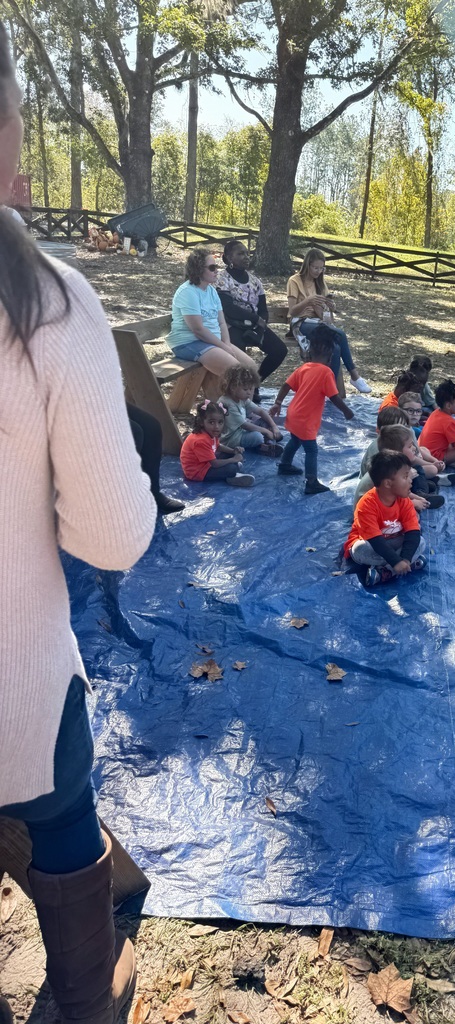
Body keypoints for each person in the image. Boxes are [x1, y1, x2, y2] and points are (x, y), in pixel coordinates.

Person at [0, 22, 157, 1024]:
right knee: (60, 817)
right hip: (15, 690)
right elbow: (113, 538)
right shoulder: (51, 308)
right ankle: (86, 995)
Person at [269, 327, 354, 494]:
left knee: (294, 441)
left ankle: (284, 465)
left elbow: (286, 385)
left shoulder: (305, 367)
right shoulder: (326, 372)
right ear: (330, 357)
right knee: (311, 450)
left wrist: (278, 402)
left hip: (294, 413)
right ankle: (311, 482)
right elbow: (334, 397)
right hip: (305, 419)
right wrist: (347, 411)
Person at [167, 247, 260, 393]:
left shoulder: (211, 290)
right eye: (212, 267)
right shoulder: (188, 292)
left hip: (211, 342)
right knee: (238, 372)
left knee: (251, 367)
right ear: (198, 269)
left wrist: (227, 345)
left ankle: (243, 411)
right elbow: (198, 330)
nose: (216, 270)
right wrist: (224, 348)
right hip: (189, 343)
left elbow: (222, 322)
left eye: (216, 266)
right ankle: (233, 412)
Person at [286, 248, 371, 393]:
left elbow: (327, 316)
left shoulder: (320, 283)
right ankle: (354, 376)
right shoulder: (294, 281)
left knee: (335, 348)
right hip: (300, 322)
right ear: (307, 265)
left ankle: (329, 388)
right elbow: (292, 311)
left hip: (318, 322)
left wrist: (331, 307)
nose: (318, 271)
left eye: (321, 268)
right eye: (315, 268)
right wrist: (308, 301)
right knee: (340, 334)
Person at [345, 451, 428, 587]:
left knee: (420, 542)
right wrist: (396, 561)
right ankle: (406, 566)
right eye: (405, 476)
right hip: (371, 543)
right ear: (388, 484)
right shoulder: (366, 504)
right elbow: (375, 540)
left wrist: (405, 560)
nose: (410, 480)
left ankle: (385, 572)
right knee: (359, 550)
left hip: (394, 542)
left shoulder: (404, 501)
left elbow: (413, 531)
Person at [215, 239, 287, 384]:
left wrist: (260, 326)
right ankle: (238, 391)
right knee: (239, 359)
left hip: (254, 326)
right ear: (229, 257)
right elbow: (228, 309)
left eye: (247, 253)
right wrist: (255, 319)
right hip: (231, 325)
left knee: (279, 350)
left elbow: (263, 310)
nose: (246, 257)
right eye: (241, 253)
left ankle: (253, 384)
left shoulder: (255, 281)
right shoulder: (222, 279)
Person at [353, 425, 443, 511]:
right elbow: (392, 496)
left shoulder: (394, 466)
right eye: (409, 446)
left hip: (385, 501)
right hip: (369, 512)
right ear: (396, 452)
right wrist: (412, 503)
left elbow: (400, 491)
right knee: (413, 514)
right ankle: (422, 490)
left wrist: (418, 498)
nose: (414, 449)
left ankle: (422, 491)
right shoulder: (389, 472)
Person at [126, 404, 186, 514]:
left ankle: (152, 493)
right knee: (133, 433)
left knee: (151, 427)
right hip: (87, 403)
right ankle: (122, 501)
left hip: (105, 396)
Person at [180, 400, 255, 487]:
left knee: (230, 454)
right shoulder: (200, 440)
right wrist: (233, 459)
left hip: (206, 463)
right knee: (231, 468)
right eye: (211, 422)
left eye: (220, 422)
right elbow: (215, 464)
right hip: (197, 472)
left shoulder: (210, 432)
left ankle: (232, 469)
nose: (217, 426)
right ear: (201, 422)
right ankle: (232, 477)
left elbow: (218, 446)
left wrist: (233, 451)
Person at [217, 365, 283, 456]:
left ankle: (265, 442)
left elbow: (260, 411)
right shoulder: (227, 403)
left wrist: (274, 426)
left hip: (241, 431)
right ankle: (262, 445)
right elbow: (245, 425)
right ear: (233, 387)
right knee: (258, 436)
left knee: (265, 420)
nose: (249, 392)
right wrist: (266, 431)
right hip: (232, 438)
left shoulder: (241, 398)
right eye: (245, 389)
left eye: (250, 389)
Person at [398, 392, 455, 485]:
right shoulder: (402, 431)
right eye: (410, 410)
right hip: (404, 466)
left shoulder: (410, 428)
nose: (414, 414)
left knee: (424, 449)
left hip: (413, 458)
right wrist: (431, 464)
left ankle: (432, 477)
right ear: (400, 410)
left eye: (418, 411)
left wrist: (434, 460)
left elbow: (417, 449)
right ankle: (432, 479)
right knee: (432, 469)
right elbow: (412, 459)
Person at [419, 379, 455, 468]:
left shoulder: (435, 412)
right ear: (448, 405)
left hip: (422, 452)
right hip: (434, 456)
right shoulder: (449, 422)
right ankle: (446, 462)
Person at [360, 406, 410, 476]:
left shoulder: (399, 441)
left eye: (404, 427)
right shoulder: (377, 449)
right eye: (395, 429)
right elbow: (378, 477)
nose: (401, 432)